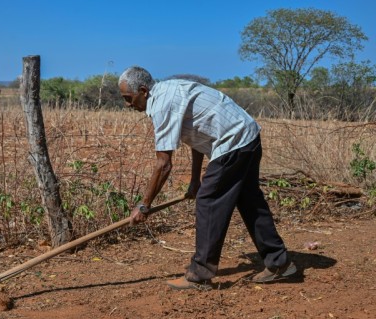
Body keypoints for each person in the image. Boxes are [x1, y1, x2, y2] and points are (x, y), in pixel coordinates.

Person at [118, 66, 296, 290]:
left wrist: (144, 205)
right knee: (249, 200)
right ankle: (279, 263)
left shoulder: (162, 104)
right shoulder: (170, 90)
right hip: (248, 136)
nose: (127, 104)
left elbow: (163, 164)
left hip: (233, 142)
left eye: (128, 98)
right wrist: (195, 180)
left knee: (208, 201)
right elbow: (198, 136)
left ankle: (200, 274)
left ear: (143, 91)